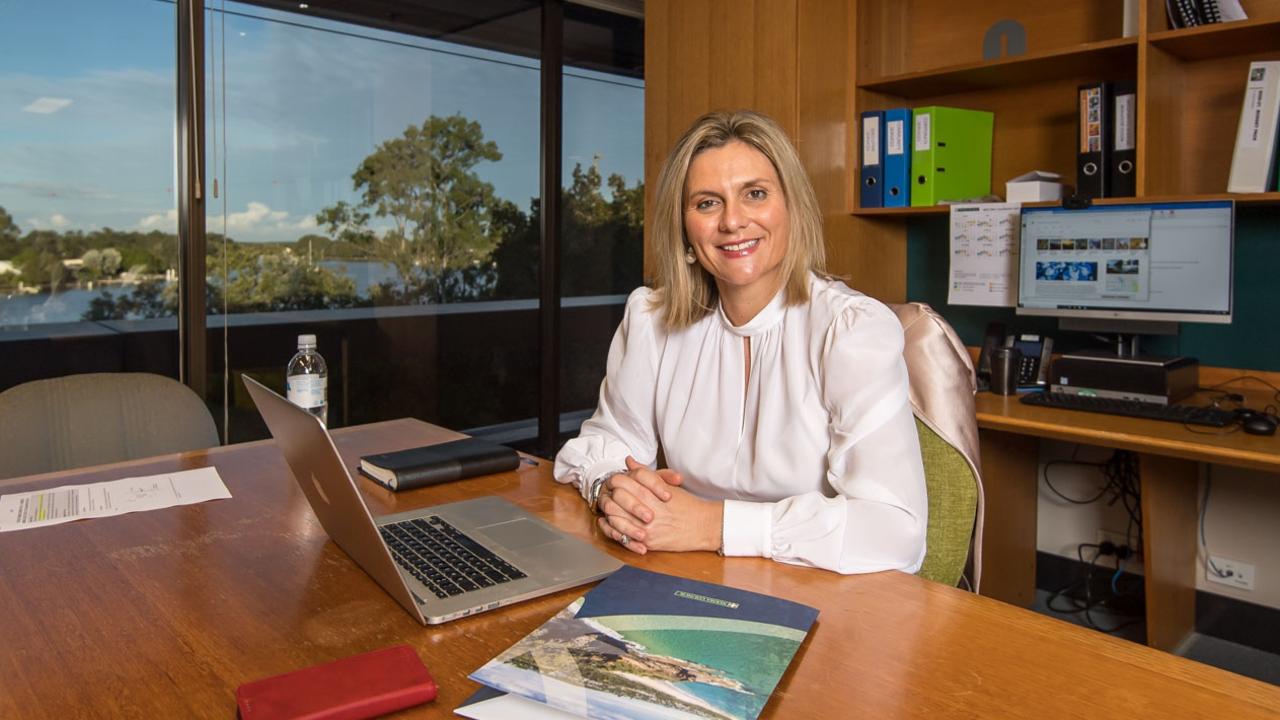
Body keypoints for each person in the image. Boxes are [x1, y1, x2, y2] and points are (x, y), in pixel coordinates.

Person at [553, 110, 927, 575]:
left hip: (818, 590)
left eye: (755, 194)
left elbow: (897, 531)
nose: (732, 221)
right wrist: (610, 487)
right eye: (707, 203)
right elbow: (608, 442)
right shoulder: (652, 319)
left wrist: (713, 525)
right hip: (689, 574)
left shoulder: (850, 329)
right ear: (686, 229)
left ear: (791, 208)